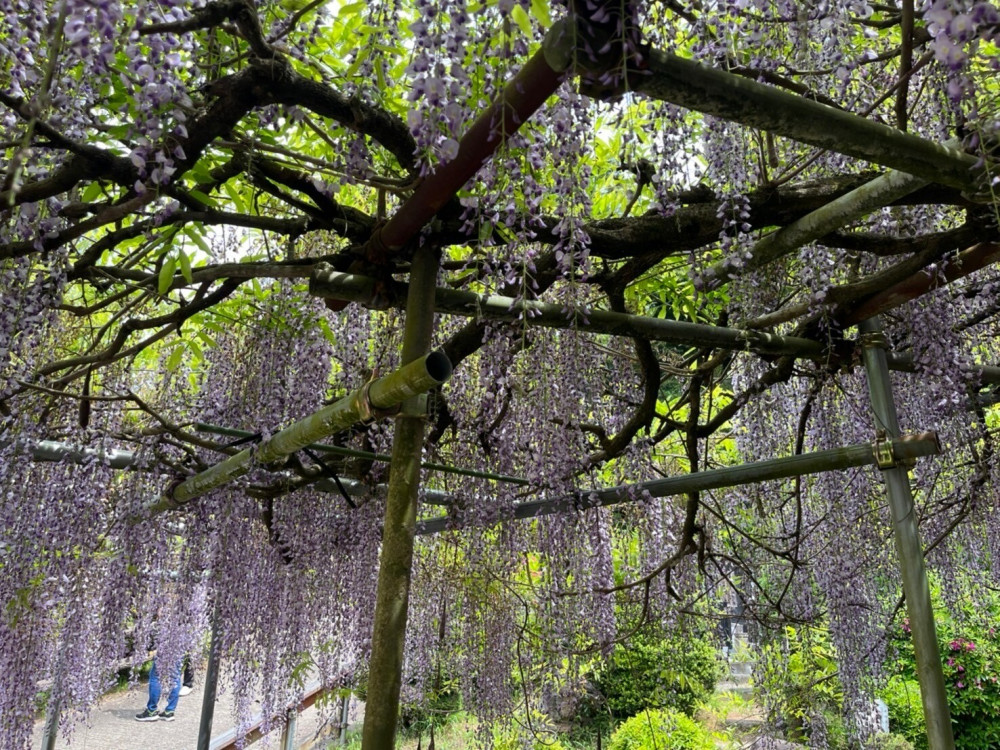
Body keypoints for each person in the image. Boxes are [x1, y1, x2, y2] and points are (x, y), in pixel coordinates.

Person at [135, 656, 182, 722]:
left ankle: (151, 711)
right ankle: (169, 711)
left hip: (165, 648)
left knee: (155, 676)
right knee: (175, 677)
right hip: (179, 649)